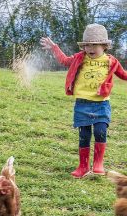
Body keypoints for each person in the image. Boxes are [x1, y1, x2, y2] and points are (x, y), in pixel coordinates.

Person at [41, 24, 127, 178]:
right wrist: (54, 48)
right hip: (82, 104)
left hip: (102, 104)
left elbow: (123, 75)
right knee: (84, 135)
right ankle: (83, 166)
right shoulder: (80, 58)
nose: (89, 48)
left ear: (104, 45)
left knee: (101, 132)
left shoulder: (111, 61)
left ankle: (98, 164)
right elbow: (64, 60)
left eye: (94, 45)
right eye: (87, 45)